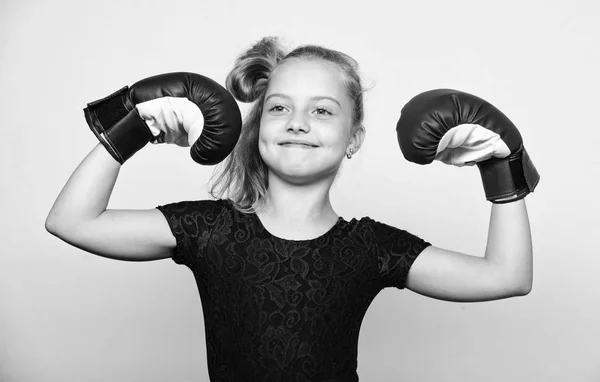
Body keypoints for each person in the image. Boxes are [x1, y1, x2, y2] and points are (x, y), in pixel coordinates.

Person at [45, 37, 538, 382]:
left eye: (322, 110)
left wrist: (502, 167)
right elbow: (71, 221)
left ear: (353, 140)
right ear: (258, 126)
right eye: (279, 108)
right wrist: (129, 125)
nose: (297, 122)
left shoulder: (369, 248)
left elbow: (506, 277)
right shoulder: (210, 228)